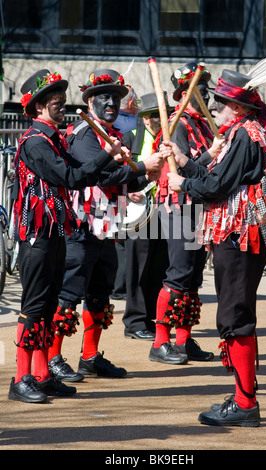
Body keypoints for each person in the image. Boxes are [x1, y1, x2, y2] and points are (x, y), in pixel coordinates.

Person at [162, 67, 266, 426]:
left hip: (240, 236)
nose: (215, 106)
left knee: (235, 316)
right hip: (237, 236)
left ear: (237, 108)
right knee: (235, 315)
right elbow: (219, 178)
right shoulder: (242, 133)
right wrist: (185, 163)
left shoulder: (246, 135)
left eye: (221, 102)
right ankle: (243, 397)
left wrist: (180, 183)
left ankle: (246, 403)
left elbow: (216, 187)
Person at [8, 69, 128, 403]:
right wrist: (108, 154)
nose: (63, 106)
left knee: (47, 306)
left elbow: (86, 170)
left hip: (57, 231)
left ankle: (43, 375)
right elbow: (71, 176)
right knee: (34, 306)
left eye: (62, 101)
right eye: (56, 102)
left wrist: (130, 167)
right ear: (38, 107)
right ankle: (20, 379)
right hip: (36, 236)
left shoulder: (55, 139)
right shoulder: (34, 142)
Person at [47, 68, 164, 382]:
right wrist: (141, 166)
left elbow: (123, 181)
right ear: (90, 100)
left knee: (100, 292)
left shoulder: (114, 135)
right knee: (70, 293)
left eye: (116, 97)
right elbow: (99, 176)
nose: (112, 102)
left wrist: (149, 173)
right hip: (81, 227)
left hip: (107, 226)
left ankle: (89, 357)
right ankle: (52, 358)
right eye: (104, 97)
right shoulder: (86, 134)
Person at [148, 62, 221, 365]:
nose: (205, 92)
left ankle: (183, 339)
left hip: (200, 206)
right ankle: (160, 342)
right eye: (199, 87)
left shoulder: (205, 124)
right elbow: (184, 166)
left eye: (205, 86)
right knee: (178, 273)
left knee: (192, 277)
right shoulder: (177, 124)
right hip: (179, 208)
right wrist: (212, 154)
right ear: (184, 93)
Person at [121, 92, 171, 340]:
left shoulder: (171, 139)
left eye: (156, 115)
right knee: (137, 266)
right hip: (139, 210)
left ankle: (149, 318)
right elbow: (117, 174)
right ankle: (134, 321)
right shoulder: (130, 138)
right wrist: (128, 193)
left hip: (166, 207)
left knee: (159, 266)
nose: (151, 120)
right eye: (147, 115)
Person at [111, 85, 140, 301]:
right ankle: (119, 286)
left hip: (120, 189)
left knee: (118, 237)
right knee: (121, 238)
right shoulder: (131, 123)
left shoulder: (114, 122)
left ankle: (118, 285)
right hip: (124, 188)